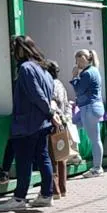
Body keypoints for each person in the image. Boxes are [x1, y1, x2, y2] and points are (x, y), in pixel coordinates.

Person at [0, 36, 57, 212]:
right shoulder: (44, 68)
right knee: (43, 157)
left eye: (14, 49)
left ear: (21, 49)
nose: (12, 53)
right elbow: (46, 93)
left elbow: (36, 95)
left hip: (27, 123)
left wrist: (50, 112)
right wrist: (50, 114)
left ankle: (19, 197)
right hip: (41, 122)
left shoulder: (26, 68)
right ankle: (47, 194)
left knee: (24, 160)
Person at [72, 49, 105, 177]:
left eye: (78, 60)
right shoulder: (94, 70)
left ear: (84, 59)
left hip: (89, 107)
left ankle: (97, 168)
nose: (77, 63)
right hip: (92, 107)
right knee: (72, 125)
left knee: (95, 139)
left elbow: (79, 90)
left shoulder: (86, 74)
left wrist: (75, 77)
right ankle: (75, 155)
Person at [47, 60, 71, 199]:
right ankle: (62, 188)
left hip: (53, 123)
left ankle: (55, 190)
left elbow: (52, 104)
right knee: (62, 156)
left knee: (53, 158)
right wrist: (66, 118)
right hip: (62, 123)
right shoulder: (60, 84)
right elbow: (67, 104)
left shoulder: (50, 85)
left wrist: (55, 117)